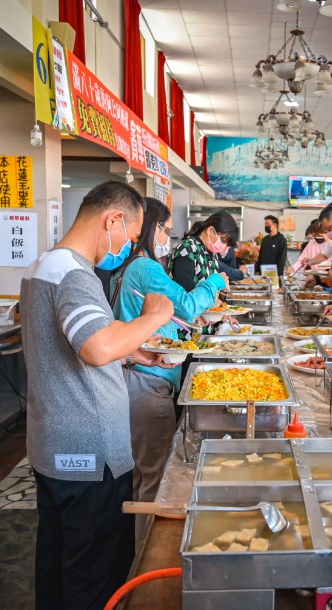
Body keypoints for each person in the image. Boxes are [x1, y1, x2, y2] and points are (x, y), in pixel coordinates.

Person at [21, 181, 176, 610]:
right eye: (127, 238)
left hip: (54, 447)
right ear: (112, 220)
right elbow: (96, 346)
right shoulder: (73, 274)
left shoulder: (43, 266)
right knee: (95, 575)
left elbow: (69, 349)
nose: (126, 249)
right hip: (89, 456)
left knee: (57, 565)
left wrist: (135, 352)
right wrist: (154, 317)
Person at [111, 198, 227, 531]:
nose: (167, 238)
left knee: (140, 473)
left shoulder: (127, 267)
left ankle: (130, 553)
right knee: (155, 478)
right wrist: (215, 282)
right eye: (165, 230)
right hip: (147, 381)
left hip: (135, 377)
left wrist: (195, 321)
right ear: (150, 227)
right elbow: (188, 304)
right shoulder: (145, 267)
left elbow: (163, 316)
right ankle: (144, 565)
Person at [168, 212, 239, 292]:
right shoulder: (187, 248)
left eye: (226, 243)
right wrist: (216, 282)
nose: (223, 246)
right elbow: (184, 288)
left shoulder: (212, 253)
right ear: (210, 231)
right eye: (222, 240)